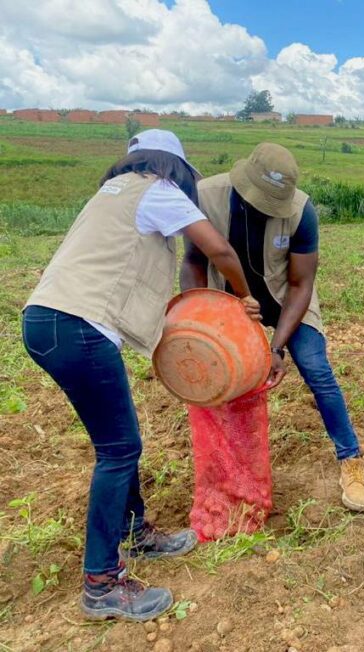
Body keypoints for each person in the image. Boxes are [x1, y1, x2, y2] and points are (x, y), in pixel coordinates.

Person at [22, 129, 260, 622]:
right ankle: (101, 584)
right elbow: (219, 251)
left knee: (118, 442)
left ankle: (133, 531)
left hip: (46, 321)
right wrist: (241, 296)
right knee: (119, 450)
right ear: (174, 168)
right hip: (77, 327)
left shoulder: (110, 193)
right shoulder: (158, 189)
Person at [180, 143, 364, 513]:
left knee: (316, 368)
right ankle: (229, 473)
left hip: (285, 299)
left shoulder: (301, 212)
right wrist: (199, 318)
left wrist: (277, 348)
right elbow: (192, 261)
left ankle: (351, 460)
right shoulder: (206, 198)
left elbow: (300, 284)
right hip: (228, 301)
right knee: (219, 379)